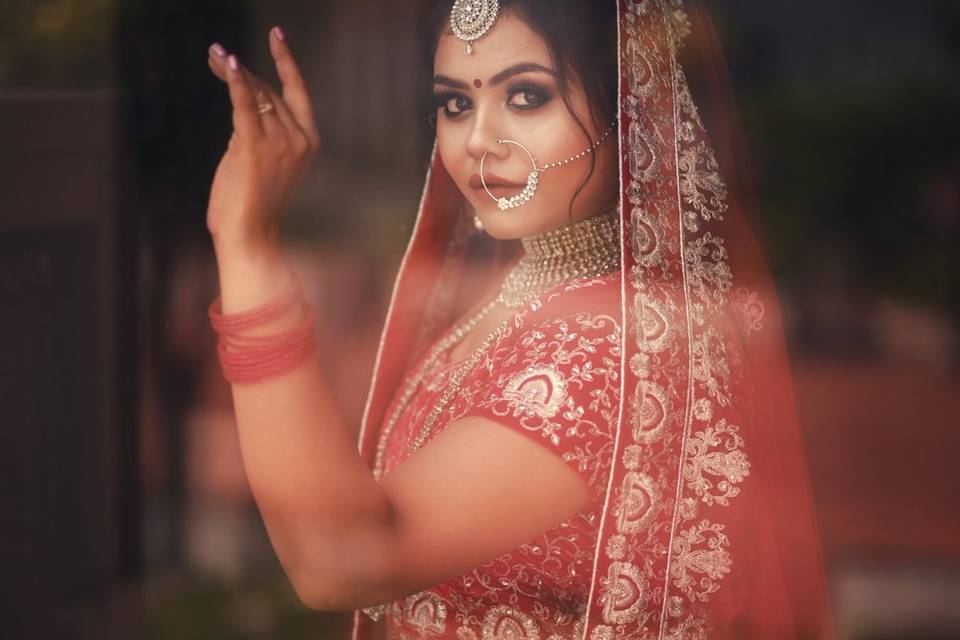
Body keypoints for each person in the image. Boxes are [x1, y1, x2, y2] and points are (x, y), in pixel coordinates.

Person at [202, 0, 835, 638]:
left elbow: (343, 561)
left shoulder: (609, 348)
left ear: (632, 115)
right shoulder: (537, 291)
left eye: (527, 97)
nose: (478, 140)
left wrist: (247, 245)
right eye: (455, 104)